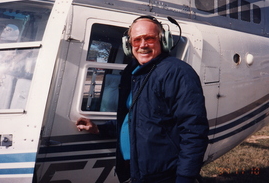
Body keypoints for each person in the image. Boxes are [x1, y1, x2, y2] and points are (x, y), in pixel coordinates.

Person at [76, 16, 209, 183]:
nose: (143, 45)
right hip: (135, 171)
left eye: (149, 38)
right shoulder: (132, 73)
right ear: (128, 45)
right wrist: (99, 129)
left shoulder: (177, 72)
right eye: (137, 40)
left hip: (165, 176)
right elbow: (135, 118)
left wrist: (185, 177)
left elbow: (194, 131)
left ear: (164, 41)